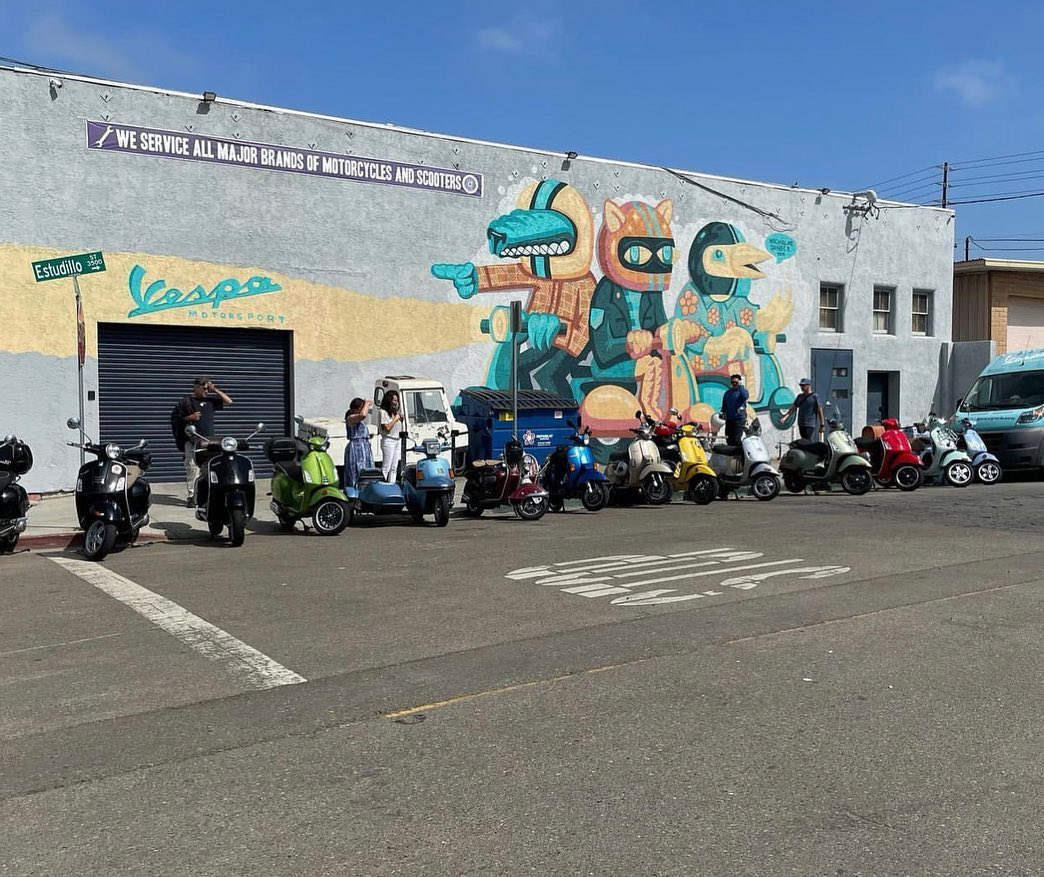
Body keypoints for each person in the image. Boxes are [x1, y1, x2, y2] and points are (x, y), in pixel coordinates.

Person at [174, 377, 233, 507]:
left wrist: (215, 389)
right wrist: (189, 417)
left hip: (209, 441)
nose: (206, 390)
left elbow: (229, 401)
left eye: (207, 388)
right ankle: (192, 497)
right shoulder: (186, 402)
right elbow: (175, 419)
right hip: (192, 440)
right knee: (192, 468)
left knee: (209, 467)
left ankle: (206, 494)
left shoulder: (210, 401)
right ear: (196, 387)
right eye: (204, 388)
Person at [343, 397, 373, 490]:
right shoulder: (350, 418)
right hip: (356, 449)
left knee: (367, 472)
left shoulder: (360, 422)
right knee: (356, 471)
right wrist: (367, 404)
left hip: (365, 448)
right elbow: (363, 415)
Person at [378, 391, 404, 483]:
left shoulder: (395, 413)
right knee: (386, 466)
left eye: (397, 401)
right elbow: (387, 427)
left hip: (397, 439)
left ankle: (391, 485)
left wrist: (400, 418)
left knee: (394, 467)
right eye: (394, 400)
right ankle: (382, 484)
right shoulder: (383, 412)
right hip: (388, 440)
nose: (396, 403)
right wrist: (395, 419)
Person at [719, 373, 749, 446]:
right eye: (733, 382)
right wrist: (722, 412)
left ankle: (739, 455)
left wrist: (741, 386)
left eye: (736, 382)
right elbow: (724, 404)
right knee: (729, 439)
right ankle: (731, 455)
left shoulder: (742, 392)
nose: (734, 384)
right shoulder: (728, 393)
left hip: (739, 419)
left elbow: (745, 396)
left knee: (737, 439)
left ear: (739, 382)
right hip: (729, 420)